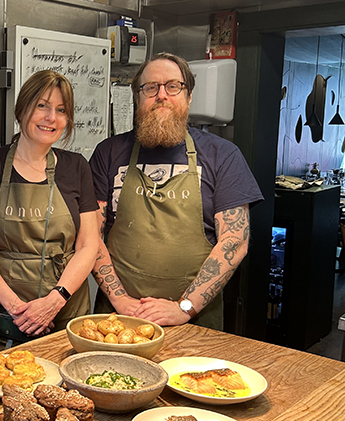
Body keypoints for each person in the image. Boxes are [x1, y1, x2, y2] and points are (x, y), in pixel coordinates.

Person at [89, 52, 263, 329]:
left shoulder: (223, 155)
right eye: (150, 87)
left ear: (188, 96)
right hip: (118, 319)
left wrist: (184, 307)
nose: (161, 95)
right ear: (138, 97)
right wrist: (121, 301)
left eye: (173, 86)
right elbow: (90, 235)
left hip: (195, 319)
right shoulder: (108, 153)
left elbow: (234, 242)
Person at [0, 70, 99, 352]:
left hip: (65, 316)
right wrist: (16, 307)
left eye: (61, 110)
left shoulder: (76, 167)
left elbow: (89, 245)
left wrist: (55, 300)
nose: (50, 117)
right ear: (22, 109)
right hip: (3, 316)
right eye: (42, 105)